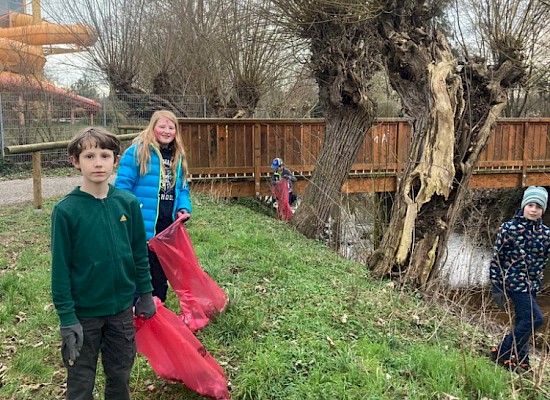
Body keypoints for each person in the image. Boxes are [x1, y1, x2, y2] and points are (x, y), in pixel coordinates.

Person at [51, 127, 156, 400]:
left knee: (120, 376)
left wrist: (145, 293)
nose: (98, 162)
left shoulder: (128, 203)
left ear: (116, 160)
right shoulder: (66, 211)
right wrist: (67, 318)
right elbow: (60, 270)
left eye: (105, 155)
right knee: (81, 382)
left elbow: (138, 253)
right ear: (75, 161)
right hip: (84, 315)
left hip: (121, 310)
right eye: (89, 156)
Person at [115, 110, 192, 302]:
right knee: (141, 270)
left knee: (161, 271)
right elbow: (122, 187)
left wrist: (183, 208)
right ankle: (136, 314)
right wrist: (133, 213)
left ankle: (159, 310)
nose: (166, 131)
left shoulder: (178, 156)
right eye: (162, 126)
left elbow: (182, 188)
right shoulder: (138, 152)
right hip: (143, 224)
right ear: (153, 127)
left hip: (167, 226)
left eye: (171, 127)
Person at [489, 186, 550, 372]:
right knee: (535, 319)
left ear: (543, 210)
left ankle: (522, 357)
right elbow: (497, 259)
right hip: (514, 283)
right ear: (523, 206)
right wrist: (497, 287)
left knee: (523, 319)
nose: (533, 210)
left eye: (538, 207)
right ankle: (502, 351)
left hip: (532, 284)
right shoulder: (509, 229)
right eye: (530, 205)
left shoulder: (546, 234)